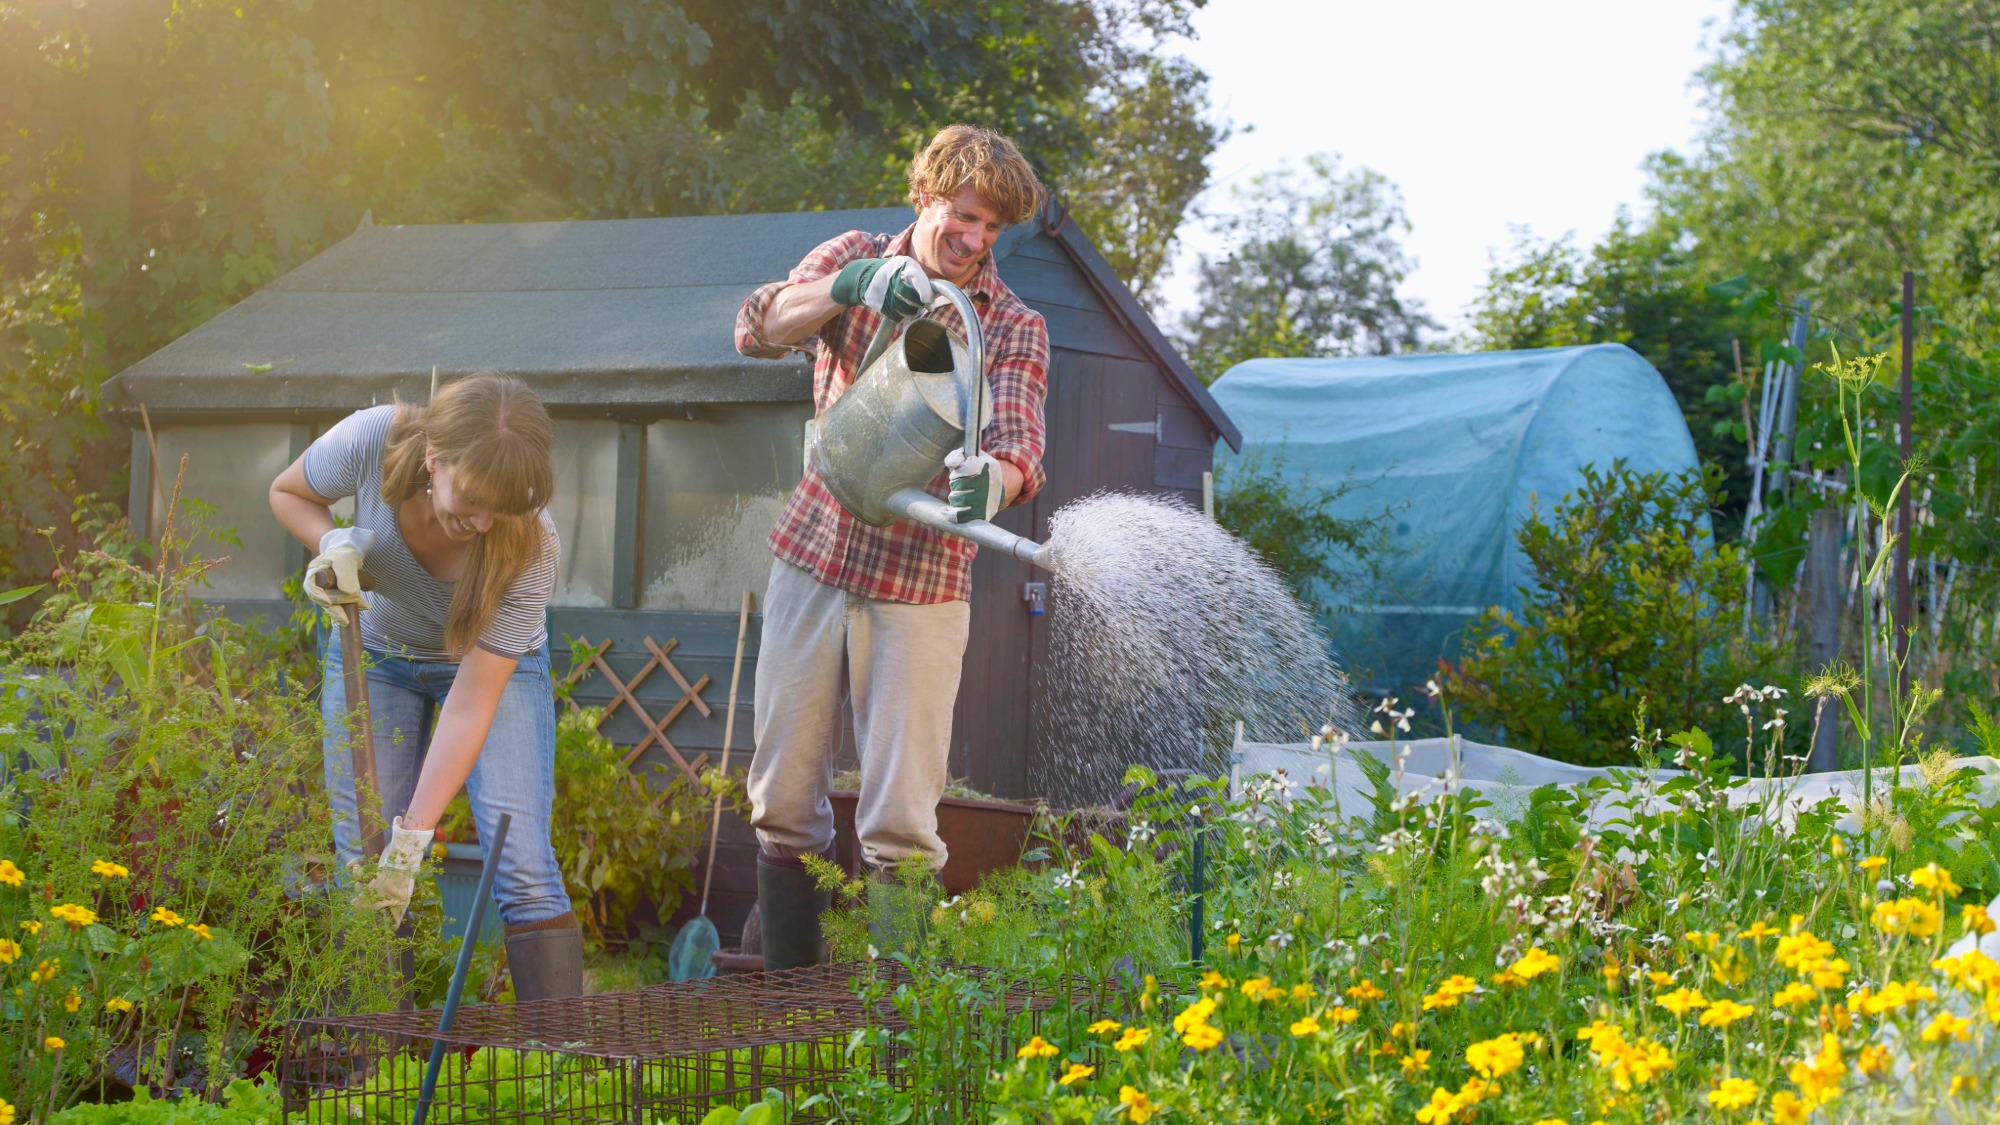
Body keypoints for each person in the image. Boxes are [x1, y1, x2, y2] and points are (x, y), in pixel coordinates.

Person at [733, 124, 1050, 968]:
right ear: (925, 195)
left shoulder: (1013, 324)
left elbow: (1021, 441)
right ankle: (789, 1002)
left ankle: (897, 1021)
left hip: (922, 581)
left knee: (903, 819)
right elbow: (757, 327)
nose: (975, 241)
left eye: (992, 228)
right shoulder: (856, 255)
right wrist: (849, 286)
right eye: (965, 216)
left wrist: (996, 482)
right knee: (782, 797)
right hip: (814, 553)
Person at [267, 373, 583, 1000]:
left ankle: (559, 1053)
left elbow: (471, 704)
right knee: (365, 864)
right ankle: (380, 1053)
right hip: (378, 655)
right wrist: (331, 541)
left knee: (521, 863)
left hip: (493, 670)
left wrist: (413, 839)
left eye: (501, 505)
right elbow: (287, 491)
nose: (483, 521)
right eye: (472, 497)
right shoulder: (370, 440)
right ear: (434, 457)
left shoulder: (532, 543)